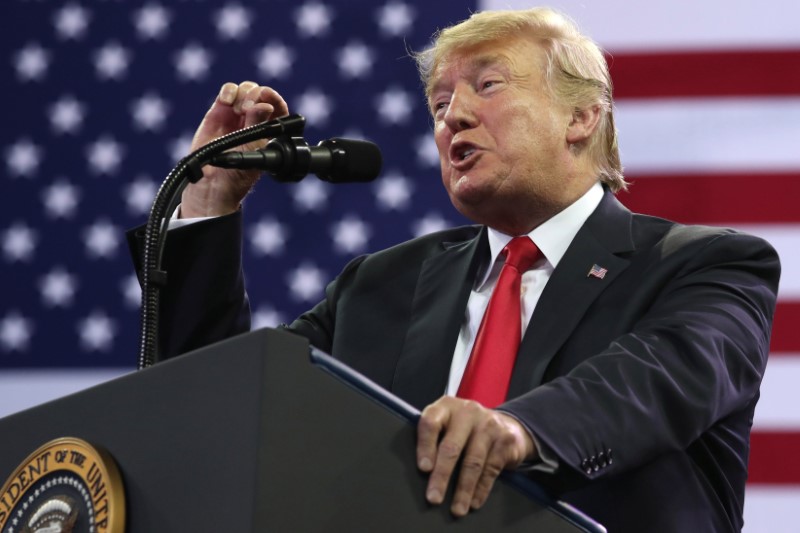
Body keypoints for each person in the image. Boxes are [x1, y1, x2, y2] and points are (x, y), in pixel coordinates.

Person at [129, 7, 780, 532]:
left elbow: (651, 381)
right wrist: (208, 204)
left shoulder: (707, 264)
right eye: (439, 105)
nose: (453, 118)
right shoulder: (378, 288)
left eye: (487, 86)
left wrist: (516, 428)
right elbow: (223, 410)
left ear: (583, 116)